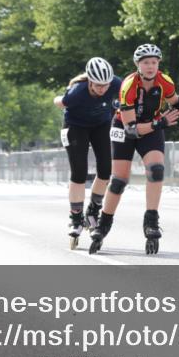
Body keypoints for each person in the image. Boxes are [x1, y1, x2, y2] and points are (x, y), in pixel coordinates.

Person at [89, 43, 179, 255]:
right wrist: (159, 124)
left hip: (153, 127)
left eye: (154, 62)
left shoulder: (164, 81)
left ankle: (151, 221)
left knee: (156, 170)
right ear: (138, 65)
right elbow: (132, 130)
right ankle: (103, 224)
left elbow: (178, 103)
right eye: (146, 63)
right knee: (118, 181)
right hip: (125, 128)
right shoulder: (128, 85)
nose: (150, 66)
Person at [53, 57, 122, 249]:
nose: (102, 89)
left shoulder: (116, 83)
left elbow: (130, 94)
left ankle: (93, 211)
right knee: (79, 172)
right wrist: (58, 98)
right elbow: (60, 102)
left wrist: (120, 105)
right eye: (98, 85)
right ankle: (75, 218)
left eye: (106, 85)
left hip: (100, 125)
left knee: (106, 171)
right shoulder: (77, 92)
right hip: (75, 126)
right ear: (90, 81)